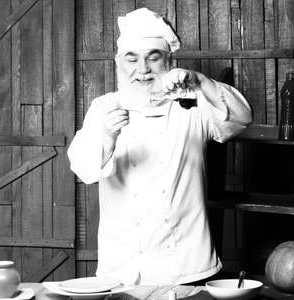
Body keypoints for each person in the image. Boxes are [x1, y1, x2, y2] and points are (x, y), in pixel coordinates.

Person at [67, 7, 252, 285]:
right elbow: (84, 170)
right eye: (132, 59)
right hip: (122, 270)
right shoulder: (104, 107)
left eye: (153, 59)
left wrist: (201, 82)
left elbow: (242, 119)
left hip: (185, 267)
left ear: (168, 61)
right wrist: (106, 136)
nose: (142, 70)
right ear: (119, 63)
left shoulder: (192, 104)